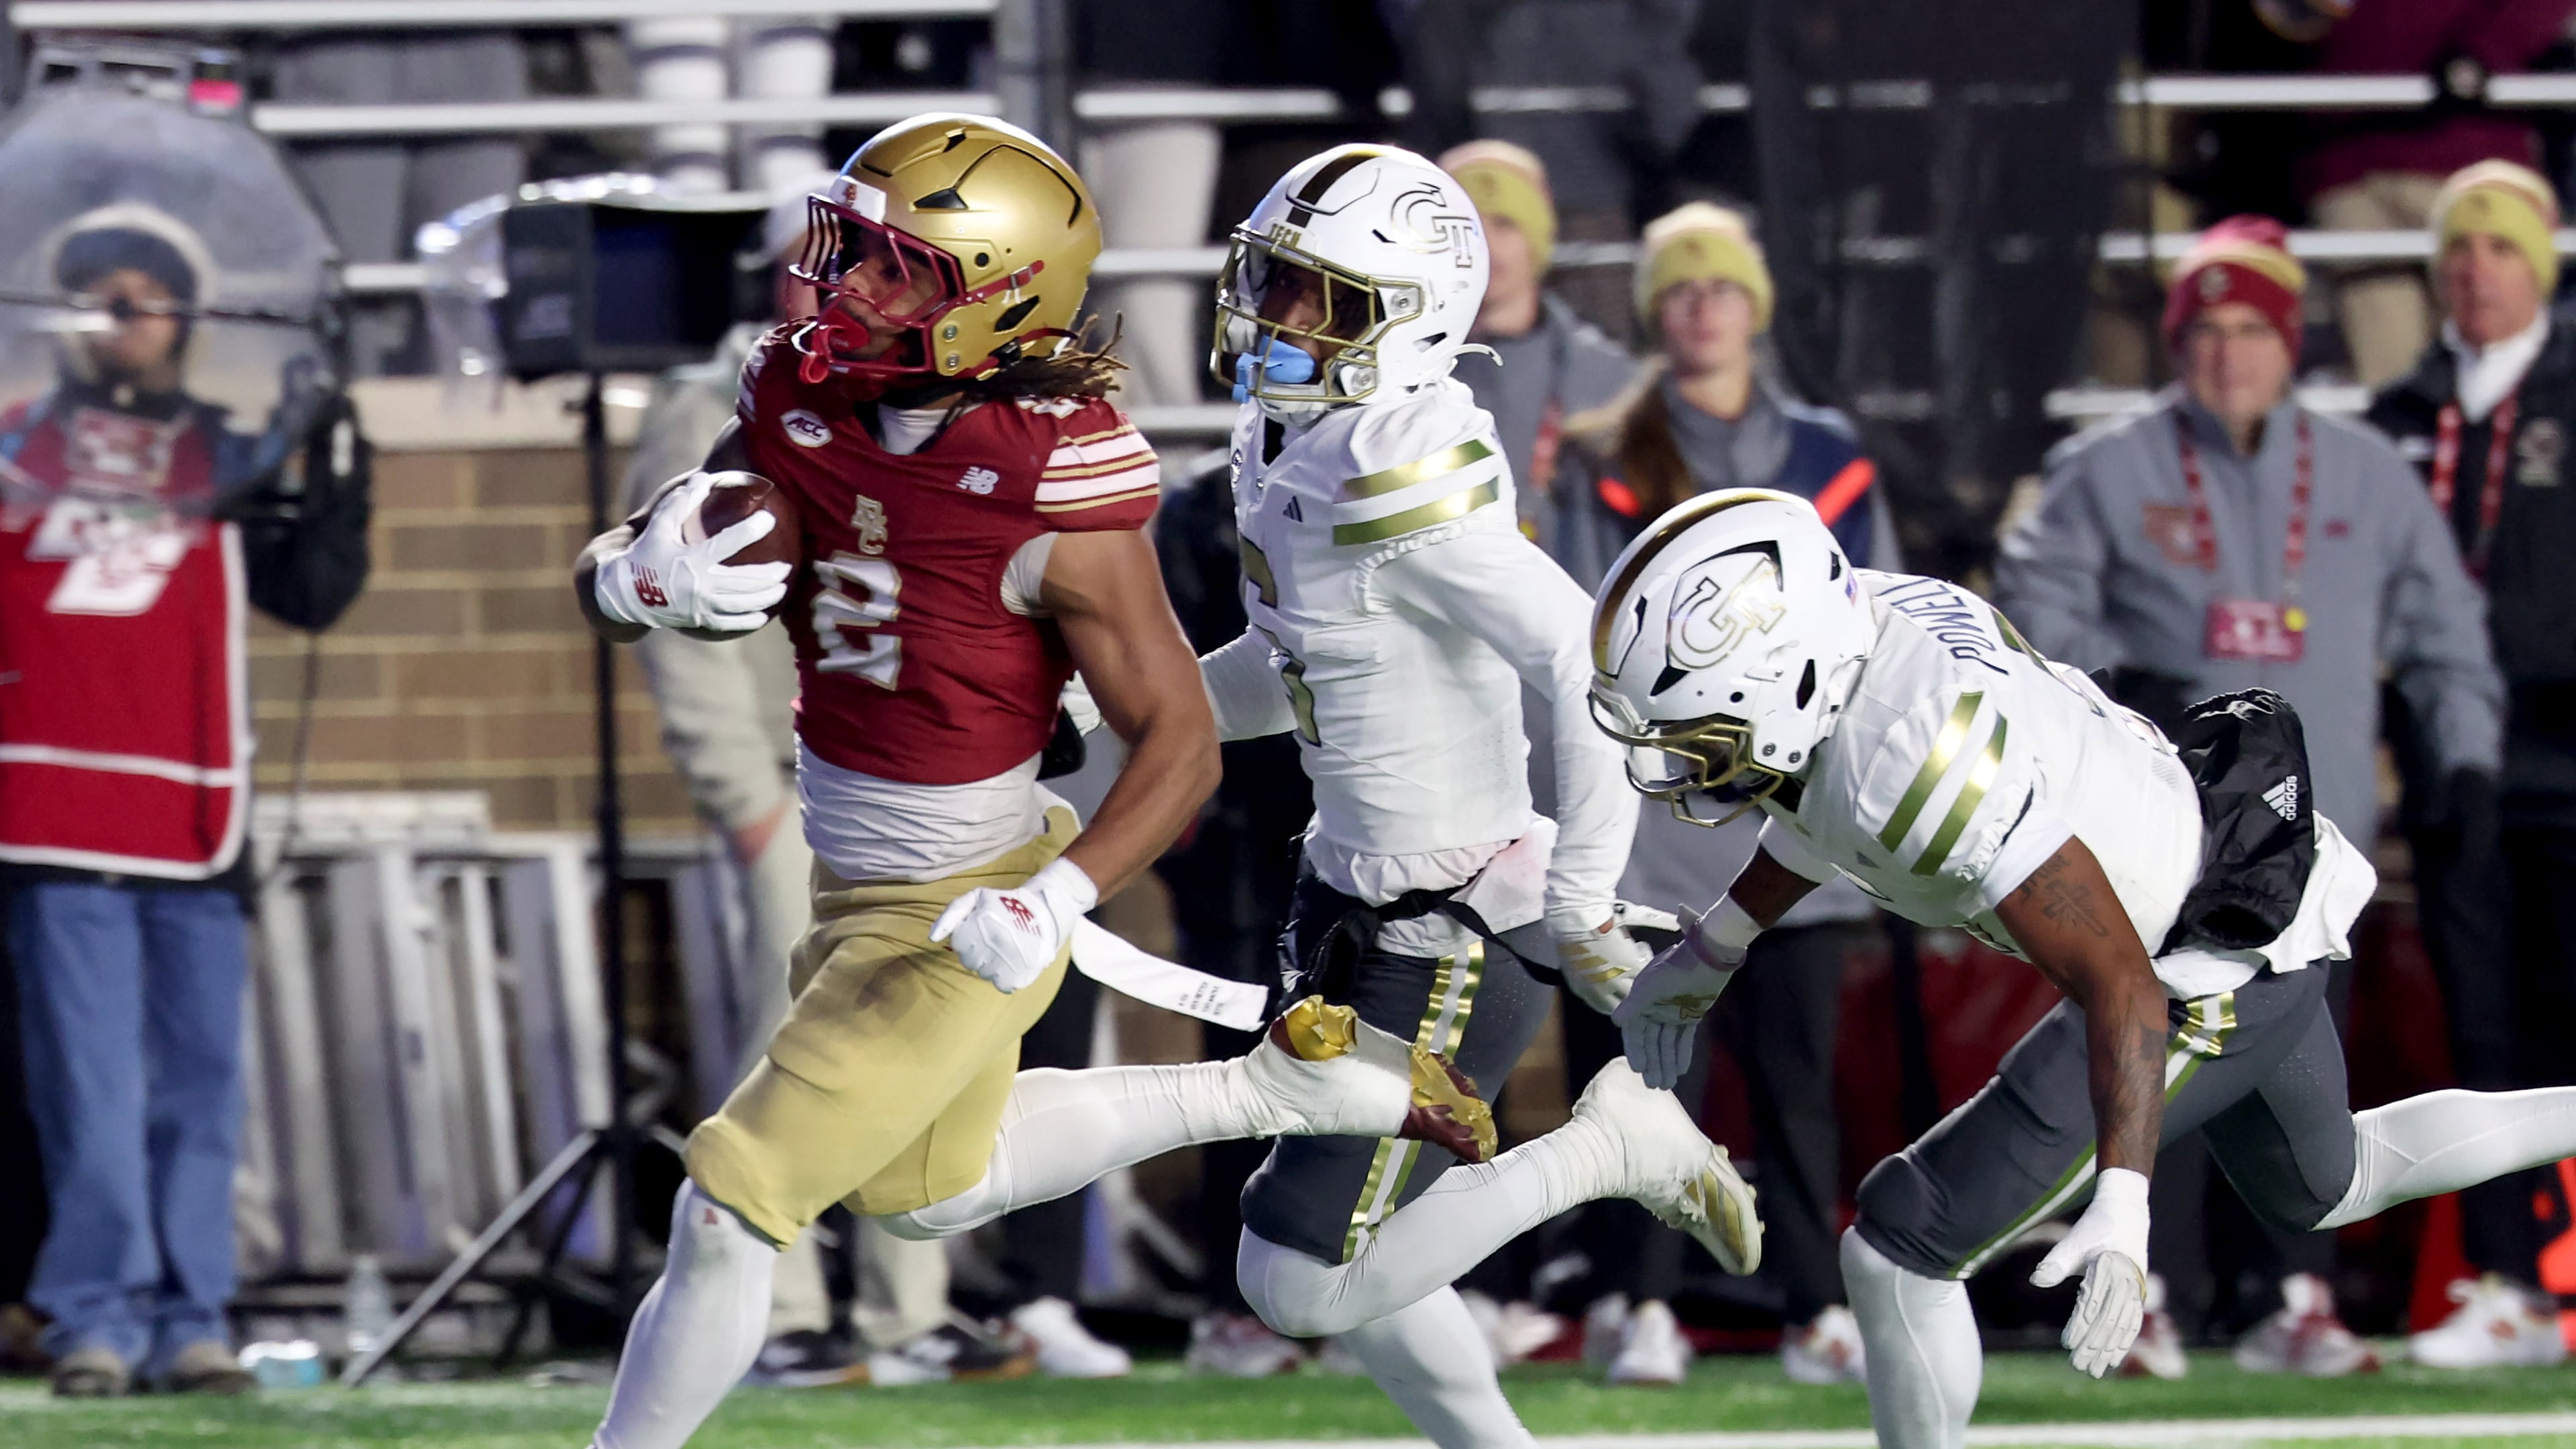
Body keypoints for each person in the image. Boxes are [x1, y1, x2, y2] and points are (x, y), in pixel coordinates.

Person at [572, 115, 1565, 1449]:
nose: (849, 289)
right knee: (930, 1191)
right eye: (853, 251)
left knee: (729, 1196)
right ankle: (1274, 1090)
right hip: (848, 871)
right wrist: (629, 578)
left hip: (962, 892)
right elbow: (687, 535)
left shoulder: (1055, 473)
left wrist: (1057, 896)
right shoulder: (798, 388)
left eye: (898, 268)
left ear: (997, 295)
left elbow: (1185, 738)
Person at [887, 143, 1762, 1449]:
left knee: (1293, 1278)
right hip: (1347, 886)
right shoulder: (1294, 437)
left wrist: (1581, 895)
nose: (1282, 318)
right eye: (1278, 282)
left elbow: (1588, 666)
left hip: (1450, 916)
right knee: (1361, 1243)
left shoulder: (1406, 464)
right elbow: (1296, 665)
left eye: (1324, 299)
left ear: (1410, 323)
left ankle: (1606, 1148)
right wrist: (1103, 716)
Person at [1591, 487, 2576, 1449]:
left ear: (1785, 677)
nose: (1679, 764)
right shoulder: (1865, 631)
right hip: (2225, 876)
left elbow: (2121, 987)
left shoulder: (1917, 763)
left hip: (2197, 965)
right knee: (2333, 1181)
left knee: (1902, 1242)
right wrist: (1714, 946)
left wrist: (2124, 1202)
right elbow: (1826, 809)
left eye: (1694, 733)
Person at [1994, 214, 2505, 1371]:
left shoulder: (2369, 476)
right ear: (2178, 343)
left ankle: (2295, 1302)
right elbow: (2035, 621)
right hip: (2154, 837)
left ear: (2291, 344)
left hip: (2311, 849)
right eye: (2207, 329)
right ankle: (2148, 1293)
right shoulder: (2105, 471)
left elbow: (2447, 636)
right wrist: (2119, 684)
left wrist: (2464, 758)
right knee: (2149, 1051)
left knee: (2295, 1076)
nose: (2229, 352)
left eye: (2252, 330)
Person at [614, 181, 1038, 1389]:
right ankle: (789, 1309)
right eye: (828, 261)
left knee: (922, 1041)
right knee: (790, 1048)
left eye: (872, 260)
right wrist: (740, 793)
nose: (845, 283)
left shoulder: (926, 401)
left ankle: (908, 1311)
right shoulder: (726, 398)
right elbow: (676, 590)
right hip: (801, 779)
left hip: (913, 783)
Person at [0, 212, 371, 1396]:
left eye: (150, 293)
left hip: (196, 811)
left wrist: (337, 468)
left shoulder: (233, 452)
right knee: (92, 1091)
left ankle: (191, 1313)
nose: (125, 314)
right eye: (99, 294)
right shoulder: (12, 447)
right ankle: (93, 1316)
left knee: (204, 1085)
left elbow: (312, 596)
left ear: (189, 315)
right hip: (53, 810)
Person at [1546, 200, 1892, 1388]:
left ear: (1756, 305)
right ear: (1654, 313)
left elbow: (1875, 619)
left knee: (1798, 1090)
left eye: (1722, 286)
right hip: (1658, 828)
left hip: (1797, 822)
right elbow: (1587, 633)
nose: (1702, 307)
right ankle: (1640, 1305)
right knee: (1646, 1080)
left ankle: (1816, 1304)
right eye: (1680, 289)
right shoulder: (1607, 451)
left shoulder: (1832, 459)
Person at [2367, 160, 2576, 1369]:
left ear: (2537, 263)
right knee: (2482, 1031)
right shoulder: (2401, 412)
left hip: (2569, 757)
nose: (2475, 269)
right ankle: (2508, 1283)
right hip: (2457, 764)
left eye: (2499, 248)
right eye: (2458, 250)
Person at [2292, 0, 2576, 384]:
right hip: (2347, 164)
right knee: (2388, 373)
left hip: (2469, 156)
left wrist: (2485, 56)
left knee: (2497, 361)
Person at [1438, 140, 1636, 549]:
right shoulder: (1398, 378)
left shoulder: (1613, 383)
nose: (1486, 246)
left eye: (1505, 224)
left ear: (1538, 237)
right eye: (1468, 227)